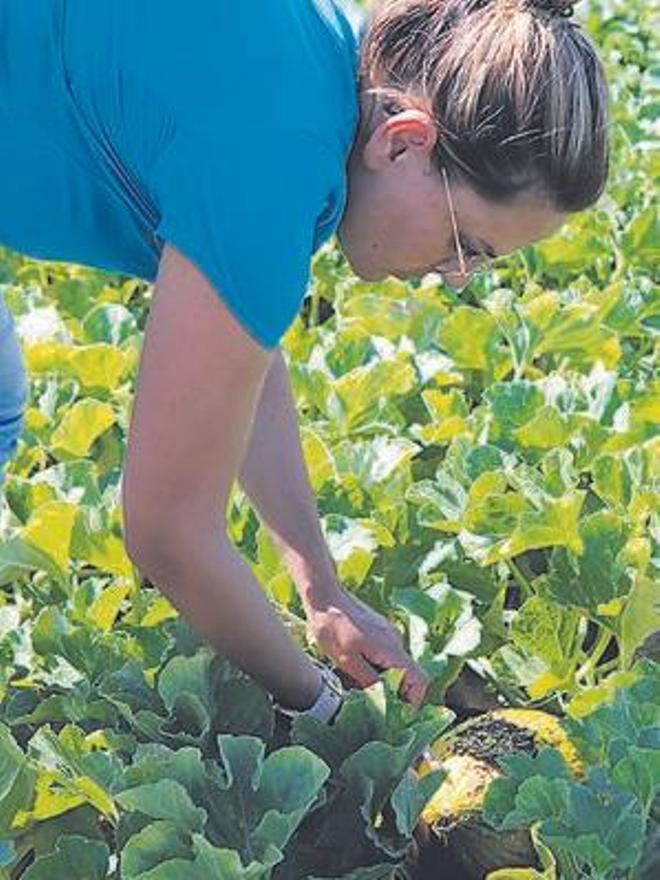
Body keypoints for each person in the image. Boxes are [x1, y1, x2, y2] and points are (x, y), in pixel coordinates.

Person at [0, 0, 608, 724]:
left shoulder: (319, 60)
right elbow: (166, 530)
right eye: (466, 243)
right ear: (404, 142)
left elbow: (237, 360)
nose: (456, 275)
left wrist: (321, 589)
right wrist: (318, 707)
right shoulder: (277, 155)